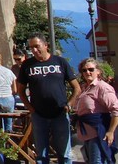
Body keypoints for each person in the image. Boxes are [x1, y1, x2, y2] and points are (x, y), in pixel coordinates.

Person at [17, 34, 79, 163]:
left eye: (37, 46)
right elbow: (20, 90)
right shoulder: (27, 65)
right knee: (41, 154)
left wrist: (69, 104)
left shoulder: (60, 62)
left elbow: (77, 88)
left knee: (64, 153)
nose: (34, 50)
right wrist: (31, 109)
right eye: (31, 47)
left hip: (60, 113)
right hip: (39, 115)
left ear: (46, 45)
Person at [73, 57, 118, 164]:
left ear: (98, 71)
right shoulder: (85, 88)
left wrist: (110, 132)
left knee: (97, 161)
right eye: (84, 70)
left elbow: (117, 111)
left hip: (98, 133)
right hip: (87, 133)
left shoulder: (102, 87)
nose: (87, 72)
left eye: (91, 69)